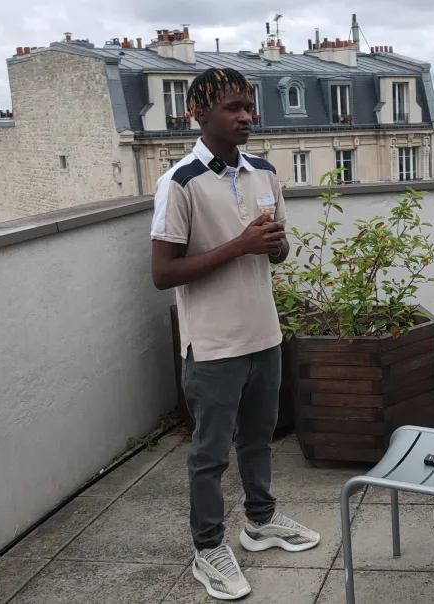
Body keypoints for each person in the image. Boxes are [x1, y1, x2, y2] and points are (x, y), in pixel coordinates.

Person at [150, 67, 320, 601]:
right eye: (232, 108)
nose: (246, 116)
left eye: (248, 107)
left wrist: (273, 244)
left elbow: (280, 249)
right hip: (213, 344)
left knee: (258, 439)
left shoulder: (264, 172)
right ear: (199, 113)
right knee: (210, 454)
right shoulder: (179, 182)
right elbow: (163, 274)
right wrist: (240, 246)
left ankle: (260, 521)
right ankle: (208, 549)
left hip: (263, 333)